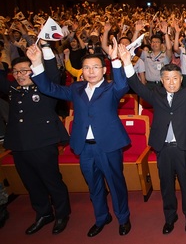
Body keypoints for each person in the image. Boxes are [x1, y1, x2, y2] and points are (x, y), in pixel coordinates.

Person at [27, 38, 132, 237]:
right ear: (81, 71)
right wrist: (37, 63)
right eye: (86, 68)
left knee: (116, 185)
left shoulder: (112, 88)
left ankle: (123, 218)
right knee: (94, 186)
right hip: (84, 148)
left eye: (95, 67)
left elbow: (122, 85)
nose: (91, 71)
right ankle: (102, 218)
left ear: (103, 70)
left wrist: (116, 60)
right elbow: (48, 89)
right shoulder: (76, 89)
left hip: (108, 147)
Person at [118, 41, 186, 234]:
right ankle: (170, 218)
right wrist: (126, 63)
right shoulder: (155, 95)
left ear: (181, 79)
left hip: (184, 147)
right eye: (167, 79)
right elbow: (136, 85)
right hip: (163, 148)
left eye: (175, 78)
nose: (171, 82)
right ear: (162, 80)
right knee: (166, 185)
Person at [0, 45, 71, 235]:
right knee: (31, 182)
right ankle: (43, 213)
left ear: (34, 71)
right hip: (19, 145)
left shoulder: (46, 89)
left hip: (43, 144)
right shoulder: (13, 89)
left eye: (24, 71)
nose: (19, 75)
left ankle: (62, 213)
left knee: (52, 181)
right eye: (16, 72)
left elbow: (54, 75)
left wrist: (44, 55)